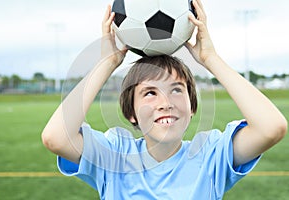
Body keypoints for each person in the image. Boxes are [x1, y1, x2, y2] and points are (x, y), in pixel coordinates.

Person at [41, 0, 287, 199]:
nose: (165, 102)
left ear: (192, 107)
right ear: (131, 113)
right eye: (150, 92)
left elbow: (271, 128)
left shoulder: (211, 156)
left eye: (177, 90)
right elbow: (56, 137)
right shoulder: (114, 155)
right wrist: (106, 64)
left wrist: (211, 59)